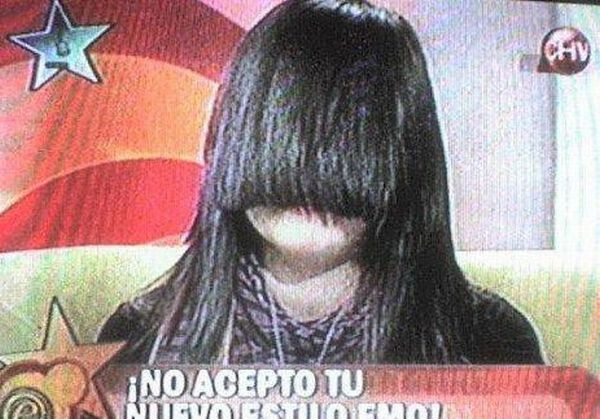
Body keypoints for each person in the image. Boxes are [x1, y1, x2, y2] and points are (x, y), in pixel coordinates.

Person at [98, 0, 545, 365]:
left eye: (349, 135)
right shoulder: (135, 341)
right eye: (289, 132)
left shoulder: (491, 343)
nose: (311, 174)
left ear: (406, 156)